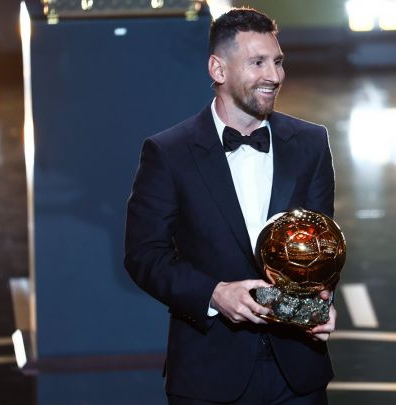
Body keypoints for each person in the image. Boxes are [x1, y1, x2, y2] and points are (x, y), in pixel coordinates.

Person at [125, 7, 336, 404]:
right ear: (218, 69)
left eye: (277, 62)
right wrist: (214, 294)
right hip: (208, 375)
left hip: (298, 373)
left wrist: (320, 303)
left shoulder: (310, 144)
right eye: (257, 63)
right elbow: (144, 255)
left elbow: (321, 249)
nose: (274, 76)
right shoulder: (168, 153)